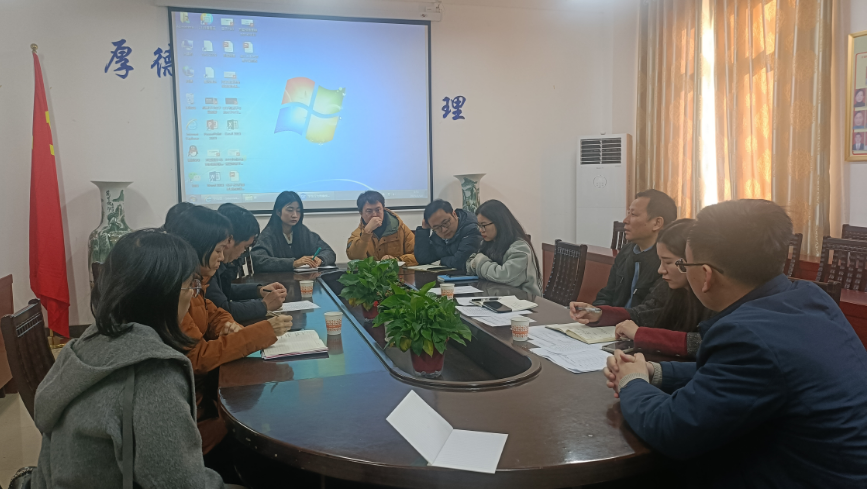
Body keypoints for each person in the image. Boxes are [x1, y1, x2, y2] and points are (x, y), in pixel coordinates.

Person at [603, 199, 867, 487]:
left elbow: (671, 430)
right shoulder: (808, 296)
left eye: (684, 264)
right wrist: (655, 372)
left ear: (706, 275)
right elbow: (741, 375)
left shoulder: (747, 335)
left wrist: (632, 382)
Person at [31, 230, 225, 488]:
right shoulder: (153, 372)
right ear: (163, 293)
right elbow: (179, 482)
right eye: (190, 285)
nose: (193, 294)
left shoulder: (83, 344)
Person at [166, 206, 292, 463]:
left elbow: (212, 310)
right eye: (218, 250)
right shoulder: (177, 288)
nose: (223, 258)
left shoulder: (196, 281)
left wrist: (226, 324)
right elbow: (197, 358)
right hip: (191, 416)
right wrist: (263, 332)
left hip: (201, 399)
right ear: (197, 248)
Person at [570, 219, 712, 358]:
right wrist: (599, 313)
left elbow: (702, 342)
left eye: (668, 262)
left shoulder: (713, 298)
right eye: (660, 261)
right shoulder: (670, 288)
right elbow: (642, 313)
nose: (660, 270)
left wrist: (643, 335)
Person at [594, 189, 677, 309]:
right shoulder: (626, 252)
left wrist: (607, 314)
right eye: (628, 213)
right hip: (615, 319)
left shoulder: (667, 262)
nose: (625, 220)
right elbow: (607, 293)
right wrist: (595, 311)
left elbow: (650, 311)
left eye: (633, 214)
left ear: (657, 223)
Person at [206, 203, 287, 322]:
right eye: (245, 247)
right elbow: (222, 310)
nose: (243, 252)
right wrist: (264, 305)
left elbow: (223, 291)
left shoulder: (215, 262)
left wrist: (259, 290)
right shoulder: (206, 266)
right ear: (230, 240)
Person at [466, 200, 542, 295]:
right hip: (498, 297)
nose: (481, 230)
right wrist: (477, 263)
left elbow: (505, 277)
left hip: (523, 300)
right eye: (479, 226)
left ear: (499, 222)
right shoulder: (488, 242)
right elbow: (469, 264)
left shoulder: (520, 248)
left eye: (484, 225)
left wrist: (479, 261)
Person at [251, 191, 336, 271]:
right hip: (277, 280)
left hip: (305, 279)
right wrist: (293, 263)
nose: (295, 215)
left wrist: (320, 259)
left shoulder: (304, 232)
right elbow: (259, 261)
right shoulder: (268, 235)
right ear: (278, 212)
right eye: (290, 210)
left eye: (298, 211)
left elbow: (329, 252)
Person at [347, 190, 417, 265]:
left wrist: (397, 260)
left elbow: (418, 255)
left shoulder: (400, 228)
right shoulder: (358, 234)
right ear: (361, 213)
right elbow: (355, 258)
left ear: (383, 209)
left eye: (378, 210)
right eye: (369, 211)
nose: (374, 215)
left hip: (397, 271)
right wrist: (367, 232)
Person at [414, 199, 482, 272]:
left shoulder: (472, 229)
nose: (444, 230)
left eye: (445, 223)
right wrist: (424, 230)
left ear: (454, 214)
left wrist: (442, 261)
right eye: (437, 227)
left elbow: (461, 261)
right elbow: (423, 259)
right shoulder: (437, 234)